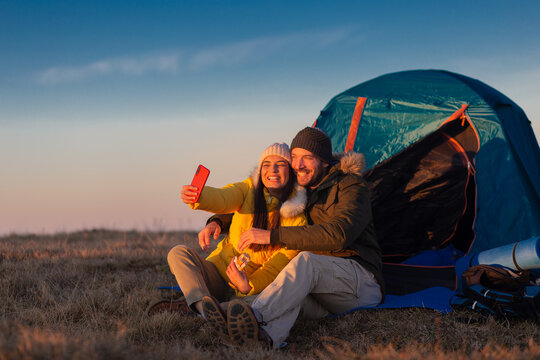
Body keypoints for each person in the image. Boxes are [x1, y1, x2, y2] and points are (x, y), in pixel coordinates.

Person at [203, 127, 385, 348]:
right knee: (287, 288)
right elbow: (259, 201)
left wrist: (273, 236)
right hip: (321, 290)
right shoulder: (302, 189)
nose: (298, 165)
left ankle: (254, 314)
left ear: (325, 162)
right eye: (295, 157)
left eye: (307, 158)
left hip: (359, 281)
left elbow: (338, 234)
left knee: (305, 262)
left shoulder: (350, 186)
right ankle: (265, 340)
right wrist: (217, 221)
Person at [150, 143, 308, 323]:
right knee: (178, 253)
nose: (272, 169)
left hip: (248, 287)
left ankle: (201, 307)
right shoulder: (248, 188)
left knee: (248, 307)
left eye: (280, 164)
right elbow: (224, 197)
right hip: (218, 272)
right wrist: (199, 195)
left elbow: (277, 266)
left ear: (290, 171)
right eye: (266, 164)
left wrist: (247, 285)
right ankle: (204, 310)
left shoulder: (296, 216)